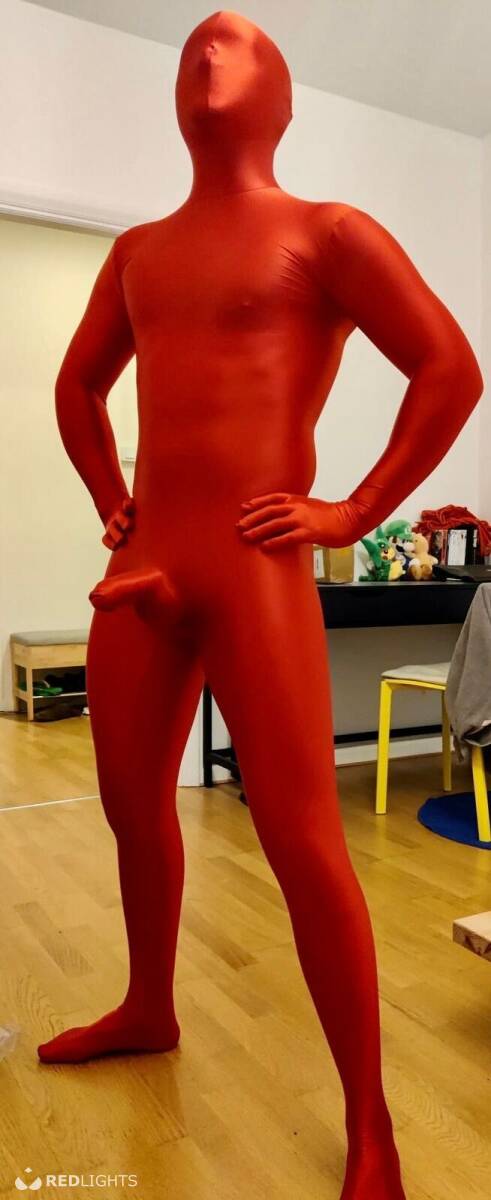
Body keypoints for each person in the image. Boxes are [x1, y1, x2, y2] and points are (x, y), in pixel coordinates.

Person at [39, 11, 483, 1199]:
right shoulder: (135, 252)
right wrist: (111, 497)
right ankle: (147, 1005)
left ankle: (369, 1124)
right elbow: (77, 387)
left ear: (281, 101)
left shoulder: (327, 231)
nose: (207, 48)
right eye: (195, 41)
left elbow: (448, 368)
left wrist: (350, 512)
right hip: (145, 570)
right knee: (132, 808)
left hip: (254, 567)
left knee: (300, 839)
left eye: (237, 43)